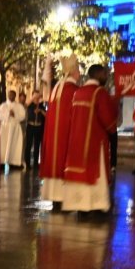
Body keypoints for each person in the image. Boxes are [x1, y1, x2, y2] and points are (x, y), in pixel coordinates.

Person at [62, 64, 119, 216]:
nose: (107, 77)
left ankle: (80, 206)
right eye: (105, 74)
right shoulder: (99, 93)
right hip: (94, 142)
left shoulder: (78, 92)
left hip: (76, 143)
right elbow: (109, 121)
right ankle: (94, 206)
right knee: (94, 173)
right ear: (99, 75)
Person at [41, 55, 81, 206]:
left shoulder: (57, 88)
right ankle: (65, 198)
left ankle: (55, 198)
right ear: (72, 72)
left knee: (55, 162)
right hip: (67, 137)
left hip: (53, 137)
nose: (80, 74)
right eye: (78, 70)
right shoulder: (74, 90)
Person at [0, 90, 26, 169]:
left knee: (14, 145)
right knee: (3, 145)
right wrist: (7, 114)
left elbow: (22, 116)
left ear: (15, 96)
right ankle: (2, 162)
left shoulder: (19, 106)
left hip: (15, 128)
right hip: (5, 128)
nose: (11, 96)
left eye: (13, 95)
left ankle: (14, 162)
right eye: (10, 95)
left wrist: (15, 114)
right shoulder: (3, 105)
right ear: (8, 95)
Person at [25, 90, 46, 168]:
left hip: (38, 127)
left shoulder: (41, 105)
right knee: (29, 145)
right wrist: (34, 97)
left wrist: (40, 110)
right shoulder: (30, 104)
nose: (37, 97)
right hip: (30, 126)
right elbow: (26, 105)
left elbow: (46, 115)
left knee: (37, 145)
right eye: (35, 96)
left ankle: (35, 164)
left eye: (38, 96)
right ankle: (27, 164)